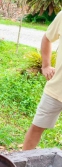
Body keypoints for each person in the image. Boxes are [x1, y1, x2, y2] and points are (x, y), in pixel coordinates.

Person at [23, 11, 62, 150]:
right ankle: (23, 162)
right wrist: (45, 65)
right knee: (37, 127)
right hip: (57, 88)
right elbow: (47, 38)